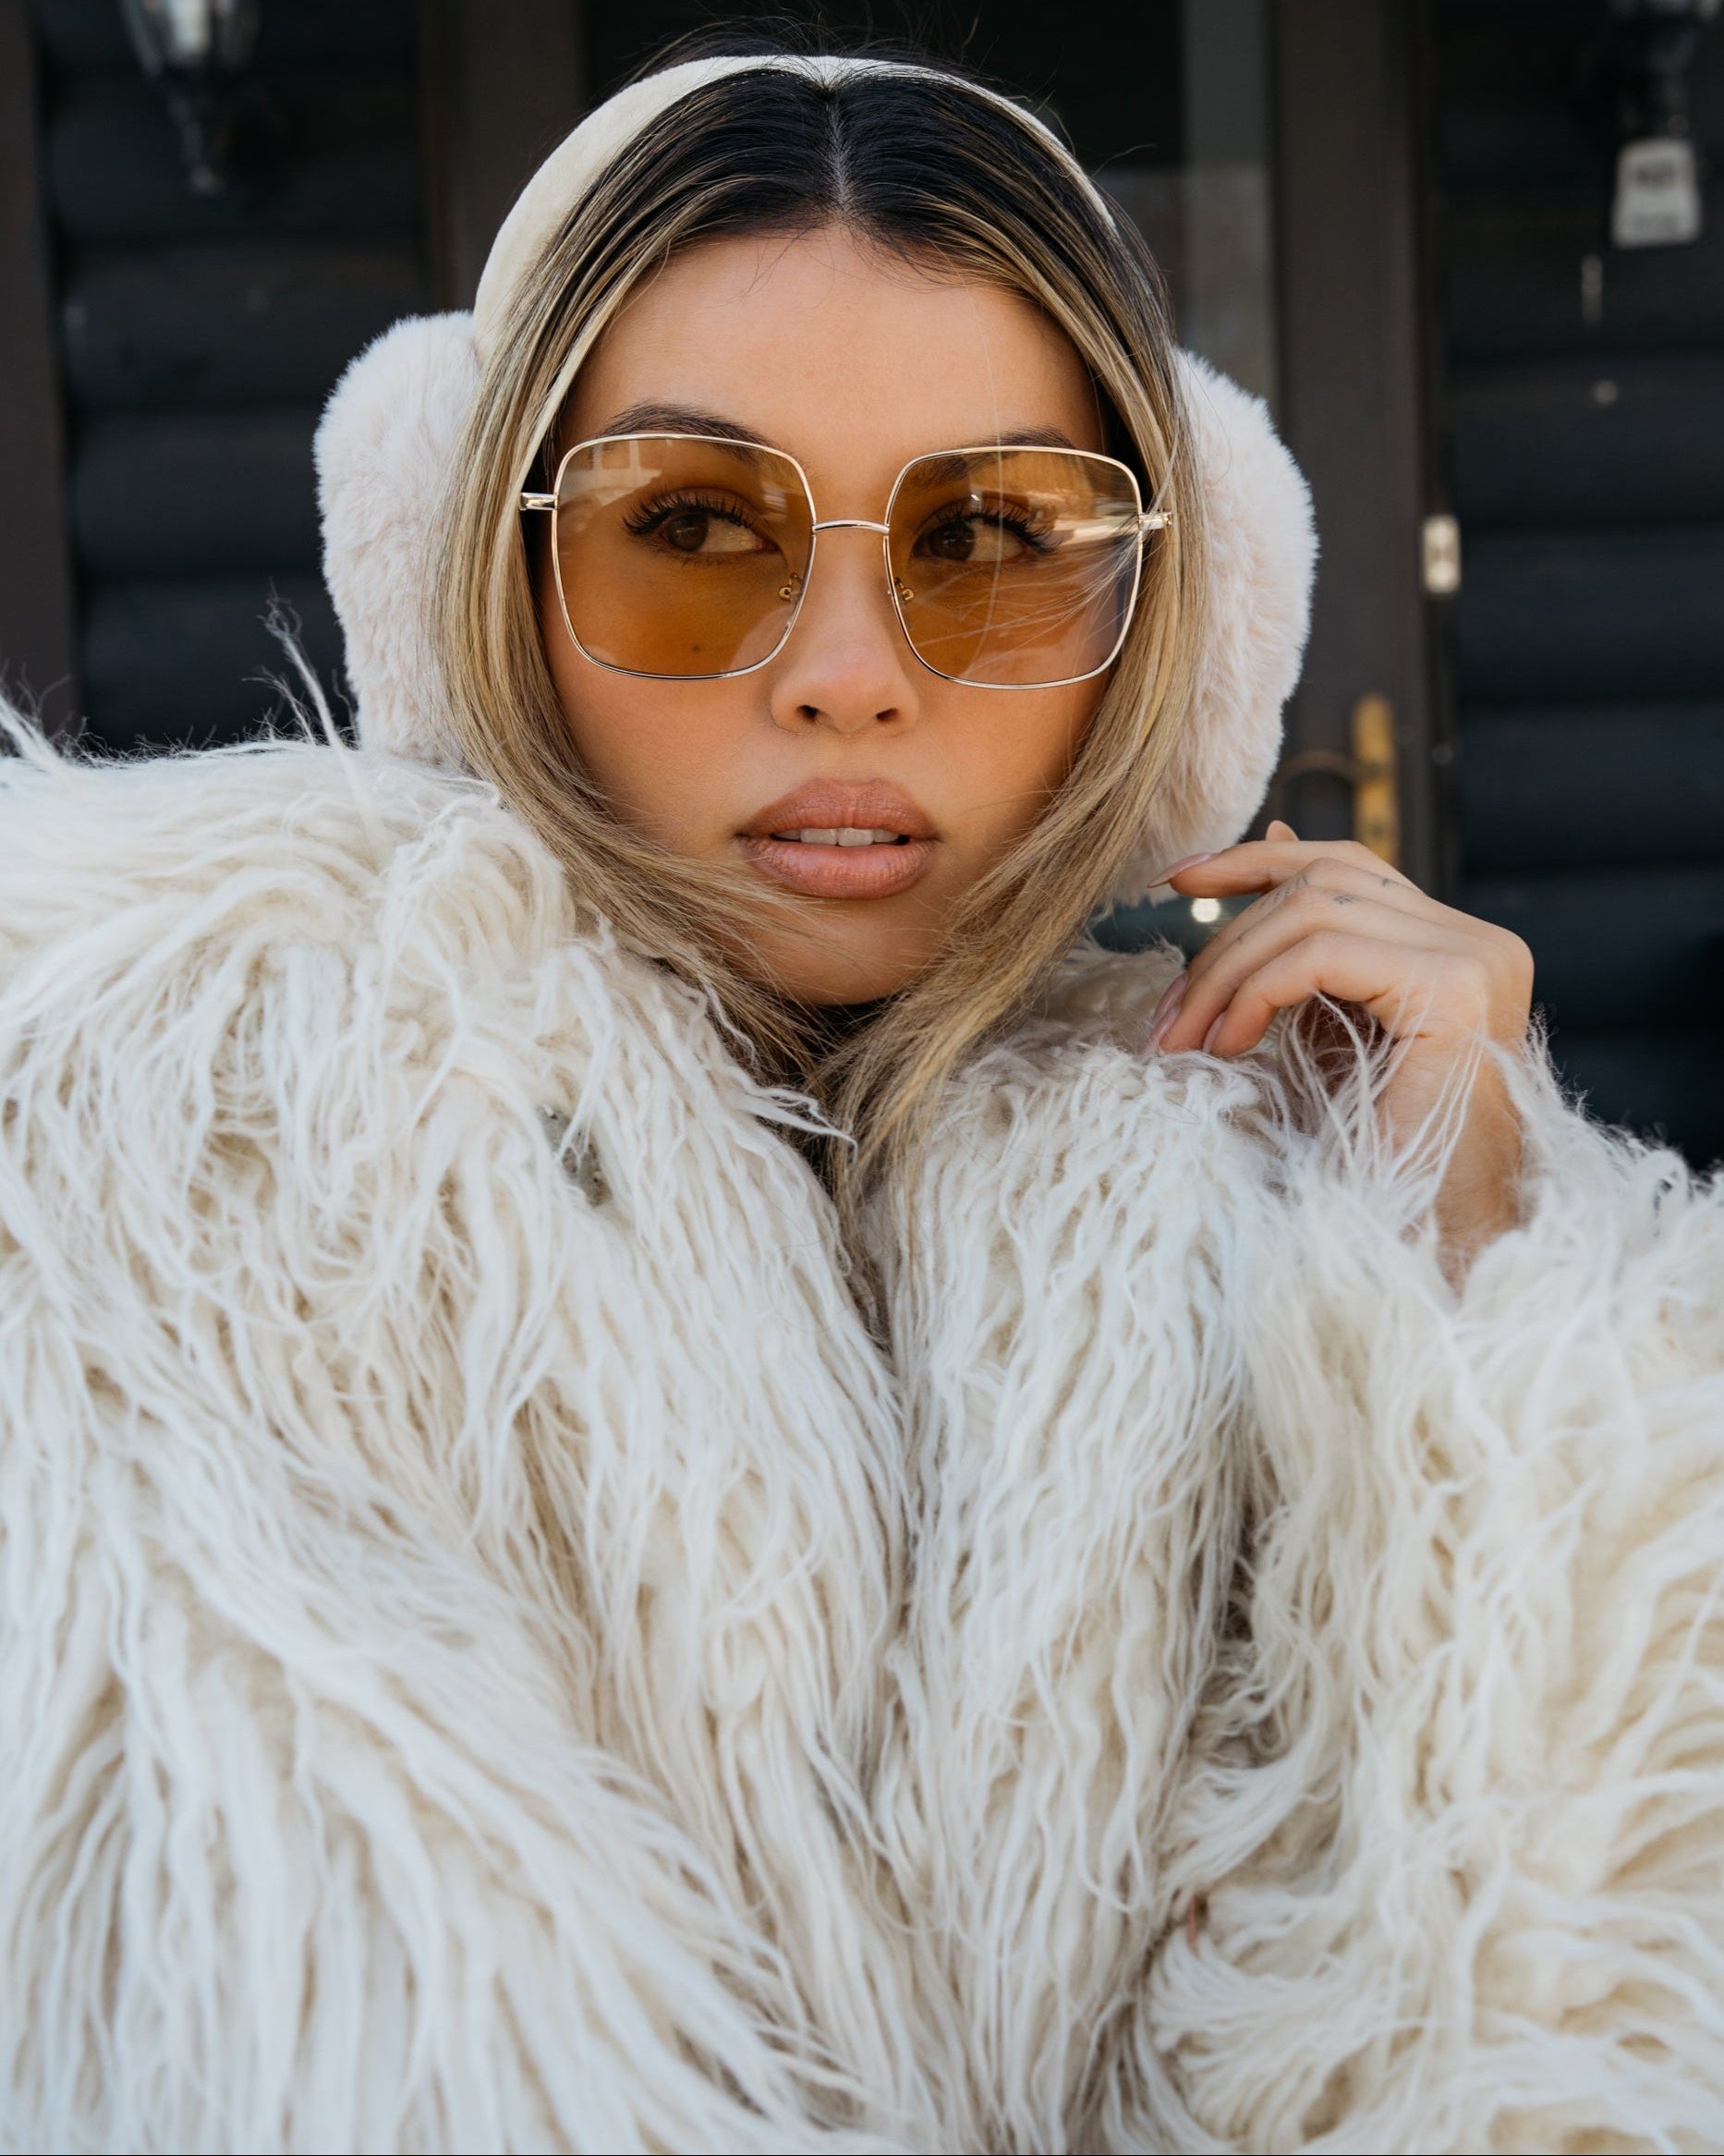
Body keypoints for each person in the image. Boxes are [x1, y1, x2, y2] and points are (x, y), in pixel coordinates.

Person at [2, 39, 1720, 2156]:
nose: (844, 669)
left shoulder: (1269, 1210)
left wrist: (1476, 1276)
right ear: (499, 583)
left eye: (994, 531)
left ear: (1156, 623)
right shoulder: (184, 1166)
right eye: (696, 528)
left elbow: (1552, 2021)